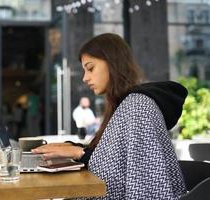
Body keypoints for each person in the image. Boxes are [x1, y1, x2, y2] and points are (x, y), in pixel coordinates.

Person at [32, 33, 187, 199]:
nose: (85, 78)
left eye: (90, 68)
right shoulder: (125, 104)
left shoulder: (138, 106)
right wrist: (74, 148)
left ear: (113, 63)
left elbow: (143, 185)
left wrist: (79, 153)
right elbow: (115, 162)